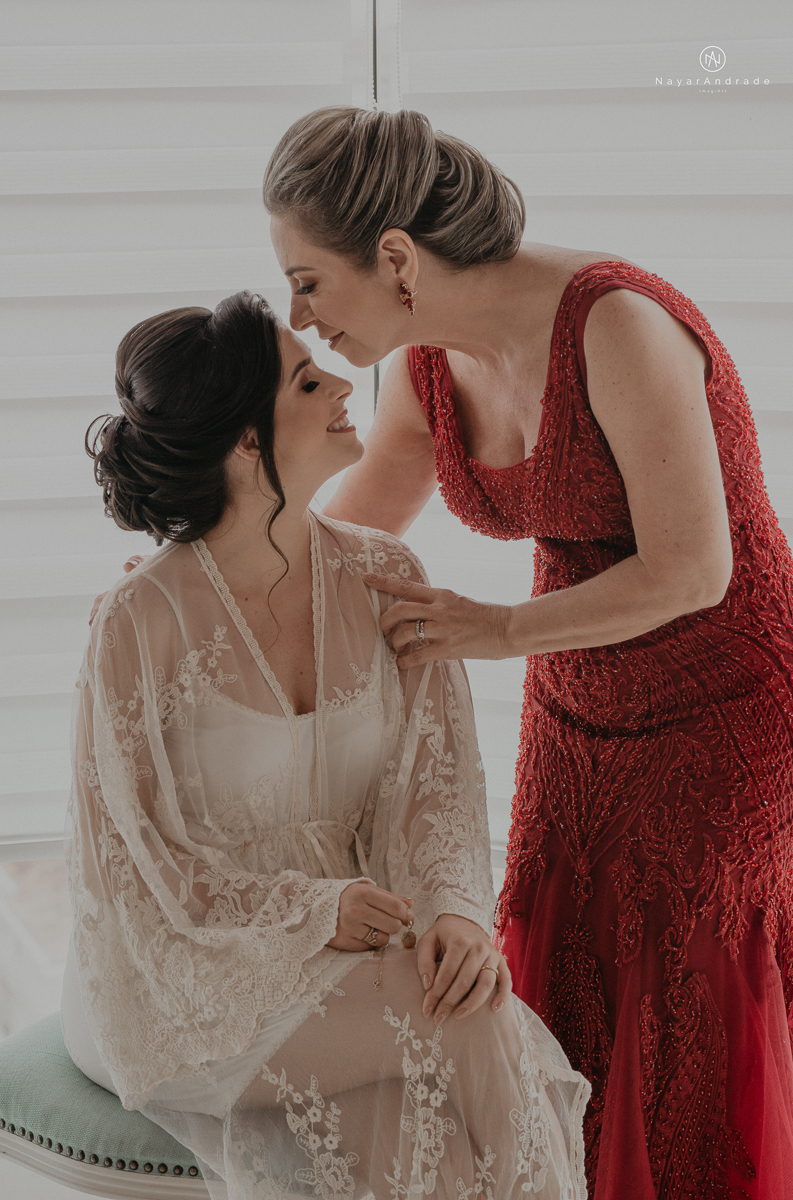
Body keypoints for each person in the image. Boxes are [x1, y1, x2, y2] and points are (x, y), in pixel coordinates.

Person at [257, 106, 793, 1198]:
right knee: (553, 948)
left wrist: (498, 631)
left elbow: (697, 572)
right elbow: (355, 538)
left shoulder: (618, 326)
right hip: (575, 692)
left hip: (729, 705)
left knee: (679, 988)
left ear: (396, 258)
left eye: (308, 279)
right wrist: (213, 577)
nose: (297, 313)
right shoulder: (423, 371)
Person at [61, 291, 590, 1200]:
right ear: (245, 443)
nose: (345, 380)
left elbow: (438, 788)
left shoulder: (384, 576)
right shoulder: (136, 625)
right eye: (307, 381)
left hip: (360, 956)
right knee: (465, 1020)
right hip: (175, 973)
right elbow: (133, 872)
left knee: (426, 1152)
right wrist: (306, 912)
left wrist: (458, 908)